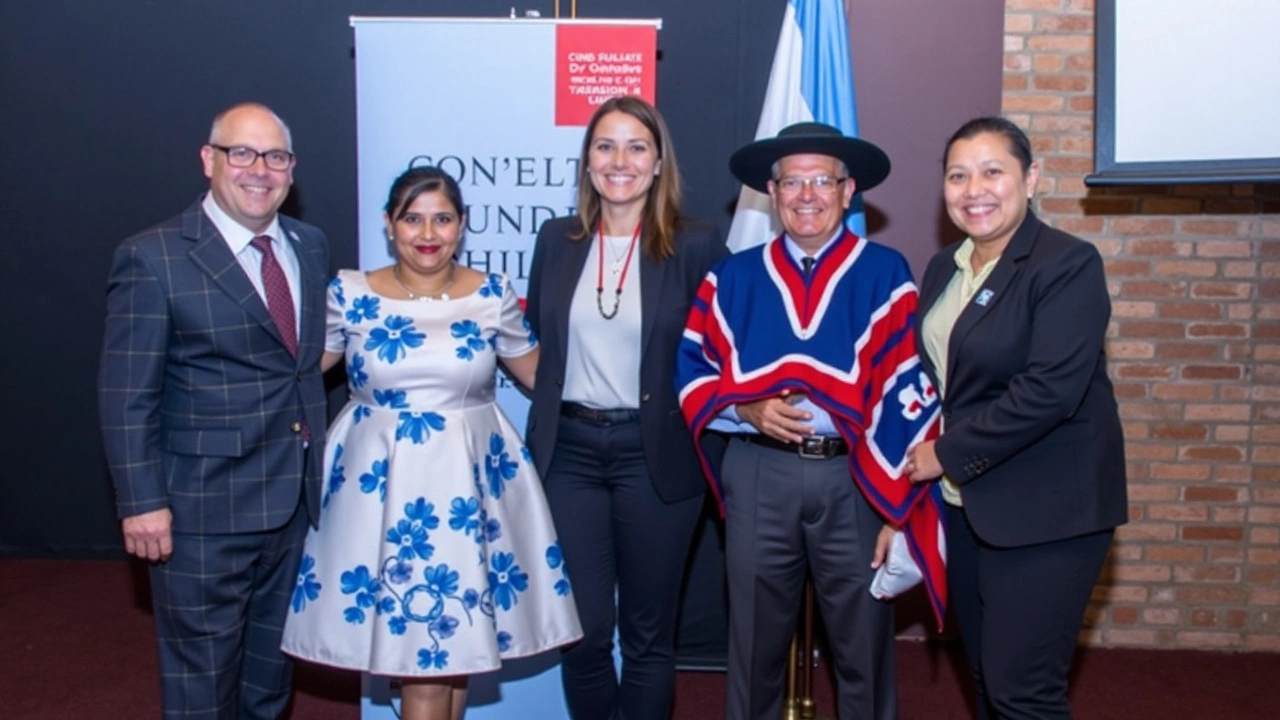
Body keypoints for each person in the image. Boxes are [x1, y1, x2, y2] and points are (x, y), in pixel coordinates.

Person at [281, 166, 581, 720]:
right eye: (412, 218)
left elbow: (541, 374)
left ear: (462, 226)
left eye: (442, 219)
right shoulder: (348, 293)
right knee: (421, 657)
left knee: (453, 645)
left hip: (470, 489)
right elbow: (296, 375)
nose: (428, 233)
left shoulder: (492, 295)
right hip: (378, 491)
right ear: (388, 225)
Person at [675, 121, 946, 720]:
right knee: (752, 647)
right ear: (771, 194)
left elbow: (908, 384)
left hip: (854, 478)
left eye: (822, 180)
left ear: (849, 192)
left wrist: (897, 500)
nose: (806, 194)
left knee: (863, 647)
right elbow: (692, 367)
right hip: (759, 474)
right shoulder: (734, 277)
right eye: (792, 182)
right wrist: (741, 407)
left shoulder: (885, 272)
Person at [98, 102, 330, 719]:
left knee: (268, 681)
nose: (260, 170)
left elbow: (299, 365)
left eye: (275, 157)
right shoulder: (154, 257)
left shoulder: (308, 246)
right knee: (202, 686)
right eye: (242, 153)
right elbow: (126, 394)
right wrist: (141, 501)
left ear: (291, 169)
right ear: (209, 160)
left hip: (293, 507)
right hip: (201, 512)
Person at [905, 116, 1127, 719]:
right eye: (957, 175)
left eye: (992, 171)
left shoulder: (1066, 264)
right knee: (985, 681)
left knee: (1022, 693)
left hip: (1049, 509)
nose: (973, 188)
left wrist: (944, 453)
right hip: (969, 506)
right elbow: (945, 385)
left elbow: (1050, 390)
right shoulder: (944, 269)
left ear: (1030, 180)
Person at [524, 96, 728, 720]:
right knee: (582, 635)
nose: (620, 161)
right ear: (587, 163)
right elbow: (538, 346)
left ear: (659, 162)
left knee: (647, 639)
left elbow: (719, 358)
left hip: (656, 457)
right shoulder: (556, 240)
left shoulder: (696, 245)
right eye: (605, 146)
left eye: (636, 147)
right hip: (570, 458)